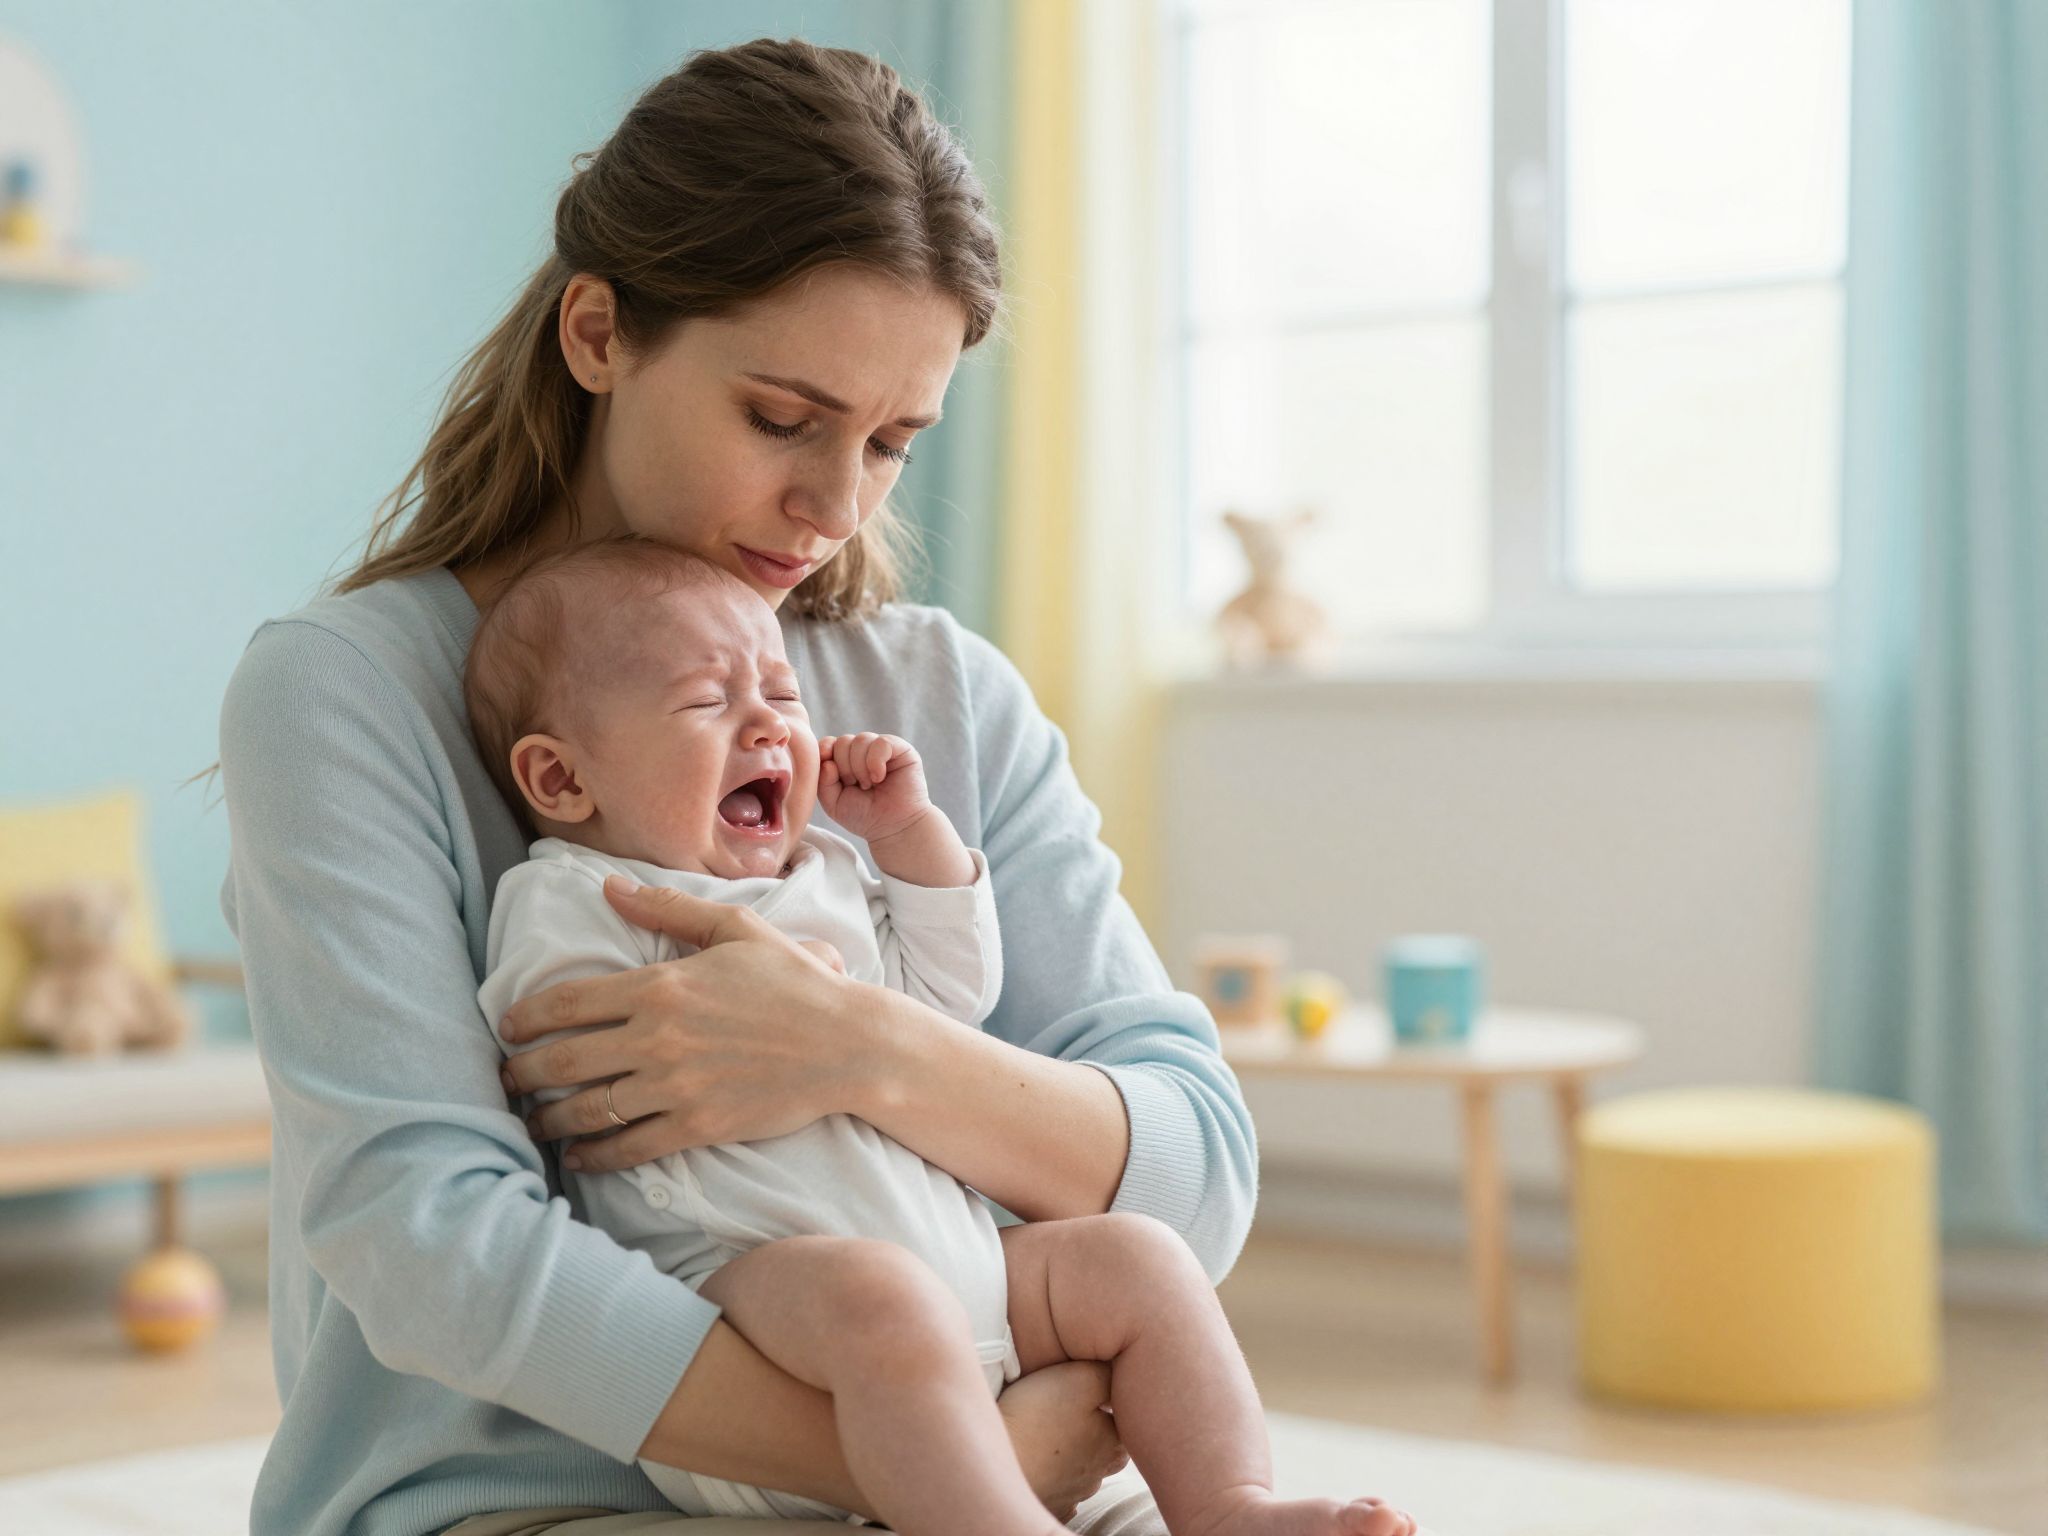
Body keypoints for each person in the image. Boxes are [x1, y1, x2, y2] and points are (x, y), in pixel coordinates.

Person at [213, 37, 1258, 1536]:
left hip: (986, 1455)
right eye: (781, 419)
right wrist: (964, 1464)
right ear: (598, 334)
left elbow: (1195, 1174)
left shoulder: (940, 697)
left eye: (891, 443)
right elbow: (430, 1241)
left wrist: (855, 1049)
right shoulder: (344, 691)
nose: (833, 506)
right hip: (534, 1500)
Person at [465, 543, 1415, 1536]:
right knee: (883, 1297)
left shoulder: (825, 871)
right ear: (560, 778)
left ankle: (1228, 1509)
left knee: (1139, 1259)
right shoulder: (573, 896)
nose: (770, 725)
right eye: (707, 701)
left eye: (782, 695)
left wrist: (907, 840)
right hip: (758, 1325)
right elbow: (555, 1049)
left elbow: (947, 996)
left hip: (971, 1285)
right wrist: (740, 1001)